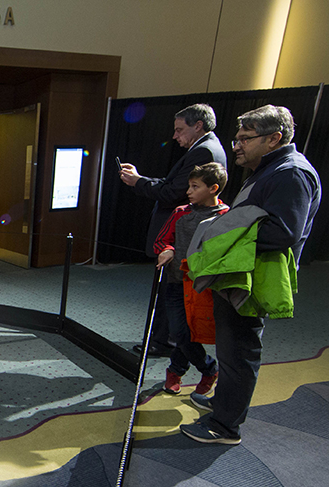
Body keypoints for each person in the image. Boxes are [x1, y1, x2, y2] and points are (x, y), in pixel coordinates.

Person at [180, 105, 321, 444]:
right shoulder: (270, 168)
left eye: (246, 138)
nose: (237, 145)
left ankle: (224, 427)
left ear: (274, 138)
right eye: (237, 138)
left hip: (253, 279)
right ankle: (224, 405)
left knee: (240, 351)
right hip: (238, 274)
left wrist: (224, 231)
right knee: (230, 350)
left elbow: (282, 232)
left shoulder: (291, 174)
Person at [119, 104, 227, 357]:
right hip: (184, 235)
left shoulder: (204, 152)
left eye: (180, 130)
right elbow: (173, 185)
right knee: (171, 292)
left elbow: (173, 193)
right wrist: (141, 180)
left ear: (198, 125)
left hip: (181, 237)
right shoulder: (206, 148)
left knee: (170, 293)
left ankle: (164, 342)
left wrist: (138, 183)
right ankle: (165, 339)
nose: (176, 136)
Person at [153, 163, 228, 396]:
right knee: (180, 332)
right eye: (189, 186)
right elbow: (161, 240)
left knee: (190, 333)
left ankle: (175, 370)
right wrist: (167, 249)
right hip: (177, 283)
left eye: (195, 187)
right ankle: (208, 368)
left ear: (213, 188)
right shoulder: (181, 212)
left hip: (204, 287)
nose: (189, 191)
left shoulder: (226, 217)